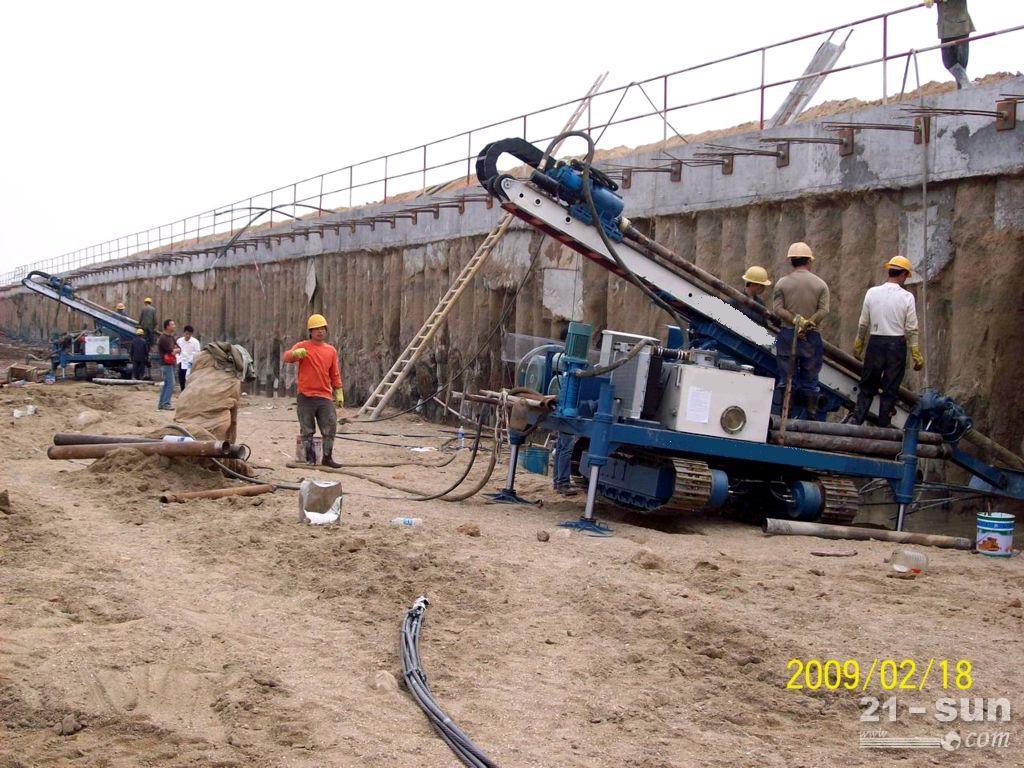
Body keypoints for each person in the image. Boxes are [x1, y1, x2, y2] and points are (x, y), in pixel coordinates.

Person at [849, 256, 924, 428]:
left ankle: (856, 421)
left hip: (875, 343)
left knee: (867, 385)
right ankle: (883, 426)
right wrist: (916, 354)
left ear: (889, 270)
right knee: (890, 388)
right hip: (896, 345)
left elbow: (863, 323)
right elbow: (912, 328)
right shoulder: (907, 297)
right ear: (903, 274)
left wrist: (859, 344)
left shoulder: (872, 293)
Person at [772, 242, 830, 418]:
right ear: (809, 261)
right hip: (810, 337)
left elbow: (777, 309)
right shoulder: (821, 284)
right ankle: (810, 417)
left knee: (787, 377)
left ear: (791, 261)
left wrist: (796, 320)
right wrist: (808, 323)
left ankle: (786, 414)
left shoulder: (782, 284)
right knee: (810, 380)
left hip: (788, 334)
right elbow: (824, 310)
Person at [283, 314, 344, 468]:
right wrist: (295, 354)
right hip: (306, 396)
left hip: (324, 396)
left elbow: (334, 373)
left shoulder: (331, 351)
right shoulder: (303, 346)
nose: (320, 331)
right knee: (307, 430)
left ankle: (327, 458)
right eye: (316, 329)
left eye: (322, 328)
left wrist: (338, 390)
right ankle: (310, 459)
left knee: (330, 428)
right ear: (310, 331)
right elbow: (286, 357)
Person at [925, 0, 974, 89]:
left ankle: (963, 88)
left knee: (962, 61)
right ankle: (964, 84)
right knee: (947, 61)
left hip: (960, 26)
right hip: (945, 29)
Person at [156, 319, 179, 411]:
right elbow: (171, 350)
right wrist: (174, 350)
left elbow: (178, 348)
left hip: (171, 363)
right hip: (166, 364)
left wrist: (175, 350)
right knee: (171, 383)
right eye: (172, 324)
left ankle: (162, 404)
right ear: (167, 327)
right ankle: (166, 404)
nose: (174, 326)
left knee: (167, 384)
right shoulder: (163, 338)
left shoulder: (171, 337)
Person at [175, 325, 201, 392]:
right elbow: (176, 351)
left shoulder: (195, 342)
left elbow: (197, 353)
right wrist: (178, 359)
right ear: (184, 333)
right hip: (182, 361)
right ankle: (182, 391)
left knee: (189, 378)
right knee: (181, 377)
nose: (188, 336)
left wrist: (192, 360)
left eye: (189, 334)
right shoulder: (179, 341)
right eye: (186, 334)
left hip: (190, 362)